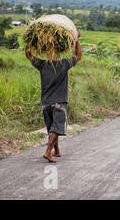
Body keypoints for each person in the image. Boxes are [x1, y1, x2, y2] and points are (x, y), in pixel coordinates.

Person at [25, 31, 82, 163]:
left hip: (46, 103)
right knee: (56, 128)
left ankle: (56, 150)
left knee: (52, 128)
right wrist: (77, 40)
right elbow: (78, 55)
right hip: (60, 102)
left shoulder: (42, 65)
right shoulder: (64, 64)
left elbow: (28, 55)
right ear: (59, 53)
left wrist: (29, 42)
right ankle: (47, 152)